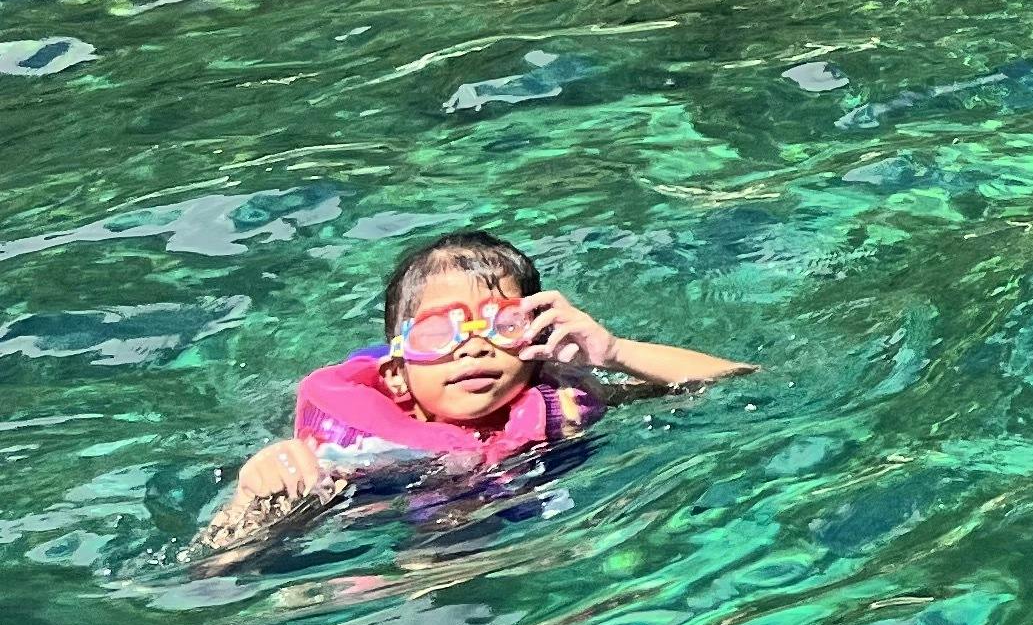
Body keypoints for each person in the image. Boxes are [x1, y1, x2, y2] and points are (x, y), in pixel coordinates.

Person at [198, 228, 749, 559]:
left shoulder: (560, 399)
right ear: (396, 375)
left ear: (535, 344)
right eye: (439, 334)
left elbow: (738, 380)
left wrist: (610, 350)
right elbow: (216, 570)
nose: (473, 348)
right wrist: (253, 495)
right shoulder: (347, 454)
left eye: (502, 326)